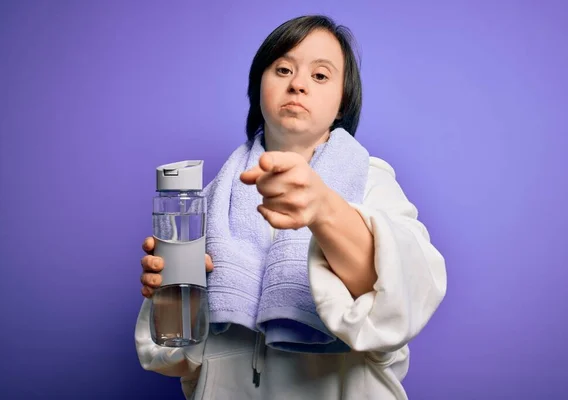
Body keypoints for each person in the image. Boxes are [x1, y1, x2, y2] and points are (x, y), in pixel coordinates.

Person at [135, 14, 447, 400]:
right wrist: (171, 293)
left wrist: (324, 210)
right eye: (283, 69)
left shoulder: (370, 181)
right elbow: (172, 358)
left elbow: (399, 301)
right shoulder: (215, 199)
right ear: (258, 87)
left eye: (320, 76)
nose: (297, 84)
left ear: (341, 103)